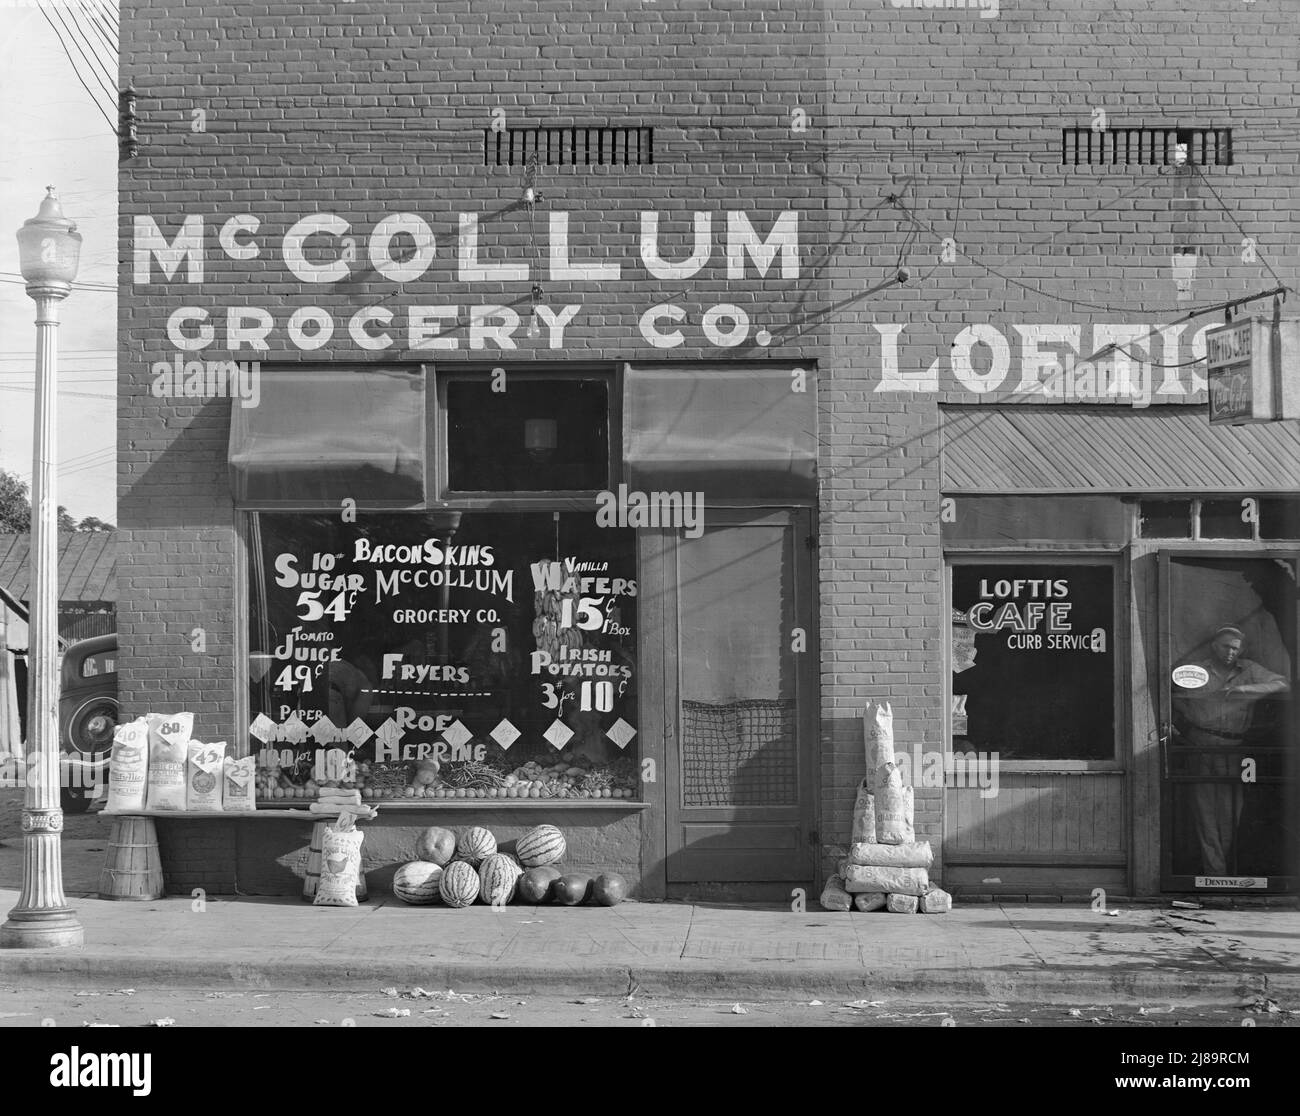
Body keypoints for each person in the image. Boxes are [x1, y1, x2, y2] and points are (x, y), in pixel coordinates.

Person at [1172, 626, 1290, 876]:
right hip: (1201, 746)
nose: (1230, 652)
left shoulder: (1249, 670)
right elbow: (1173, 695)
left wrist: (1246, 690)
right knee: (1204, 812)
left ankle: (1223, 872)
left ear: (1241, 650)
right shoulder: (1197, 670)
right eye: (1225, 646)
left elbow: (1283, 683)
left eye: (1235, 648)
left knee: (1229, 812)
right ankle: (1215, 873)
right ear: (1214, 646)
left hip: (1234, 748)